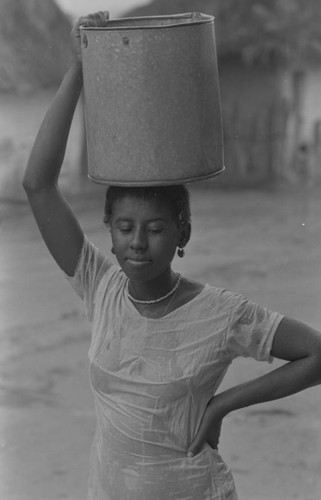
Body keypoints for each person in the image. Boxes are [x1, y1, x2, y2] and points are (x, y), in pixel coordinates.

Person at [22, 11, 321, 500]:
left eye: (156, 228)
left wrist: (224, 403)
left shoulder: (222, 314)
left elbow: (317, 353)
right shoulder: (100, 286)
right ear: (110, 233)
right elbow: (37, 185)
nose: (138, 242)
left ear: (183, 232)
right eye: (125, 227)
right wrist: (78, 67)